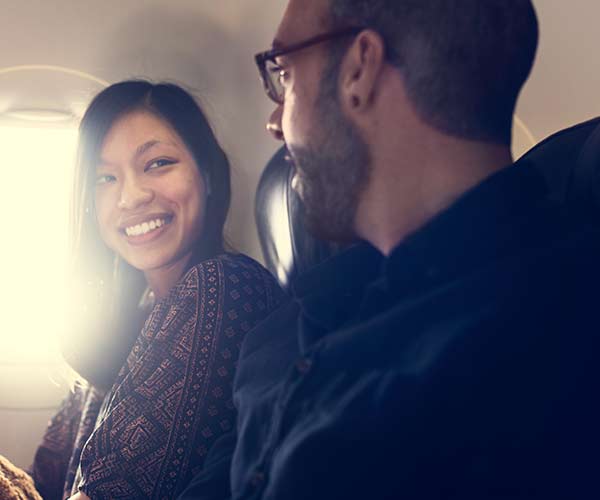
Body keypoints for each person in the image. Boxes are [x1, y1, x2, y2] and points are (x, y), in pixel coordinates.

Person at [180, 0, 600, 498]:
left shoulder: (516, 360)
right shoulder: (287, 332)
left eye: (286, 74)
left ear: (360, 69)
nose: (275, 121)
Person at [28, 80, 284, 499]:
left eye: (158, 163)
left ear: (208, 175)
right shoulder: (122, 321)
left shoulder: (224, 287)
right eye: (106, 177)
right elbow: (40, 482)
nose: (131, 196)